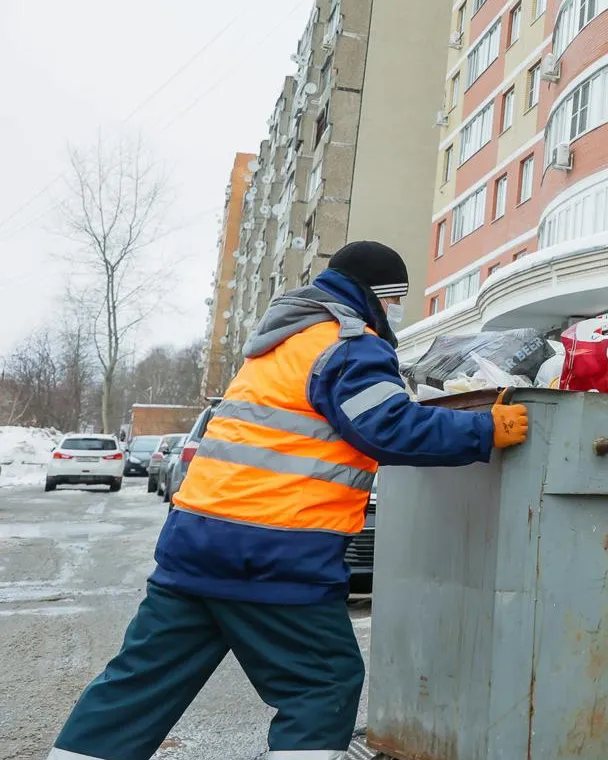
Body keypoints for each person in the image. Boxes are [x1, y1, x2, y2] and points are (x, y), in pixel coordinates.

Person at [46, 241, 530, 760]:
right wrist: (484, 430)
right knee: (322, 685)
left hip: (193, 544)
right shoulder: (349, 343)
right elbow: (387, 425)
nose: (397, 312)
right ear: (379, 295)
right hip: (273, 554)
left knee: (137, 686)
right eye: (397, 300)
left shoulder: (279, 342)